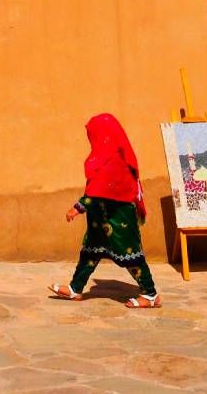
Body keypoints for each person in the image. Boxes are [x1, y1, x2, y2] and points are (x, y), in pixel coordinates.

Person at [48, 113, 160, 309]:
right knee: (89, 254)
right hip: (100, 221)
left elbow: (99, 190)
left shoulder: (114, 161)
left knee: (131, 257)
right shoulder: (102, 158)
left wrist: (77, 208)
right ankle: (75, 289)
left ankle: (150, 294)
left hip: (119, 222)